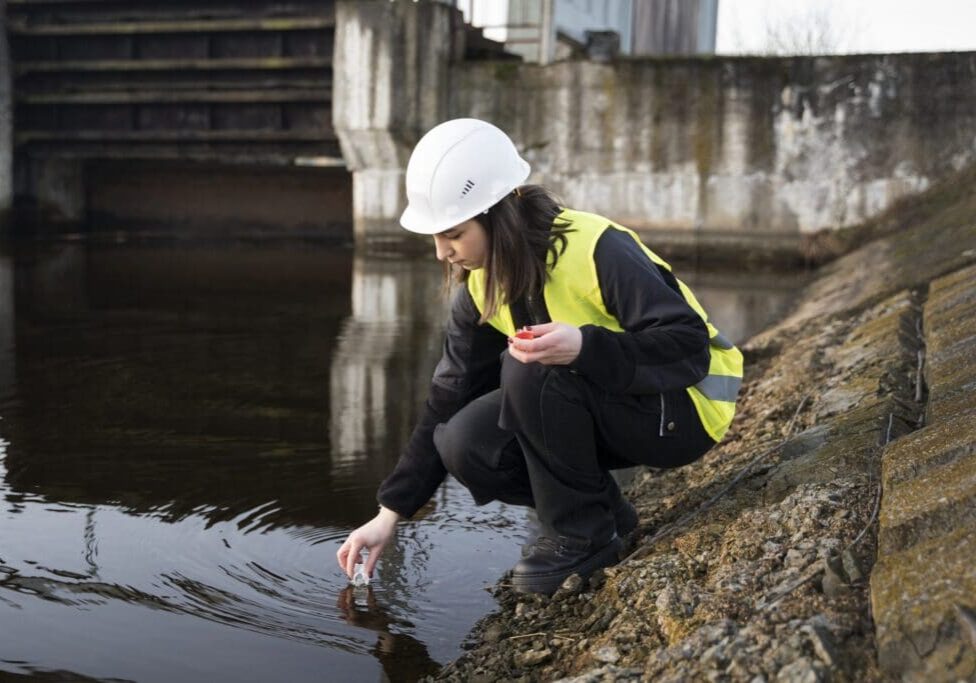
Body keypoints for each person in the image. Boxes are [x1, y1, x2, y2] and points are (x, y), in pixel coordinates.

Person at [337, 118, 743, 595]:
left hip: (685, 408)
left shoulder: (595, 248)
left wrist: (586, 347)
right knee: (463, 442)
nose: (442, 252)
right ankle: (605, 516)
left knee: (527, 369)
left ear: (498, 213)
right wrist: (390, 513)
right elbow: (445, 401)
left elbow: (687, 344)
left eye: (453, 234)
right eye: (436, 237)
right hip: (618, 404)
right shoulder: (482, 288)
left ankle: (580, 537)